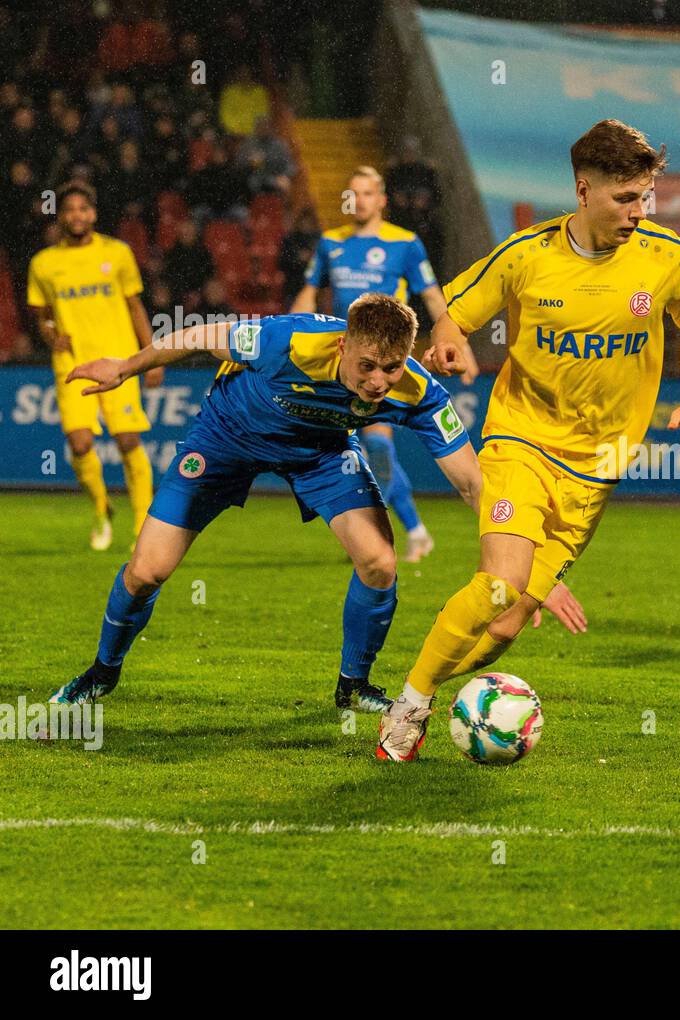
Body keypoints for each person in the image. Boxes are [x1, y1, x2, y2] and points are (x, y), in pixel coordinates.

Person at [374, 118, 680, 762]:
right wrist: (447, 337)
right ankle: (411, 705)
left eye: (644, 197)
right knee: (500, 584)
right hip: (522, 441)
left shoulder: (667, 257)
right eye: (625, 198)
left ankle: (427, 693)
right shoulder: (527, 255)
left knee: (504, 625)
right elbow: (449, 313)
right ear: (584, 190)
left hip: (598, 469)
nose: (637, 213)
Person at [49, 294, 478, 713]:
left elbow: (473, 485)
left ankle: (354, 685)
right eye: (366, 366)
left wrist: (520, 563)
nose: (378, 381)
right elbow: (198, 337)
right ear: (344, 344)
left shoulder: (419, 392)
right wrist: (125, 367)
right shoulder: (286, 341)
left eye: (391, 367)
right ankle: (103, 672)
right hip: (226, 437)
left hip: (321, 453)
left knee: (379, 563)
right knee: (146, 571)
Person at [291, 165, 479, 563]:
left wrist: (458, 342)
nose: (358, 200)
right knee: (363, 449)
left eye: (366, 193)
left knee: (375, 444)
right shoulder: (330, 243)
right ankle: (413, 532)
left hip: (384, 363)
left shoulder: (406, 244)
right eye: (352, 192)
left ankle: (383, 537)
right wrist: (286, 332)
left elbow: (432, 298)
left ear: (381, 200)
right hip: (340, 360)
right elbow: (309, 295)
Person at [27, 182, 160, 550]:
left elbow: (135, 306)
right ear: (61, 215)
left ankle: (142, 529)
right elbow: (42, 316)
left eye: (83, 209)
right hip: (72, 363)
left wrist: (151, 356)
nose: (77, 215)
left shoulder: (117, 253)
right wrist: (50, 334)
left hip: (119, 360)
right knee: (80, 443)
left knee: (128, 439)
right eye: (69, 209)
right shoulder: (44, 263)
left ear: (94, 214)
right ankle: (102, 509)